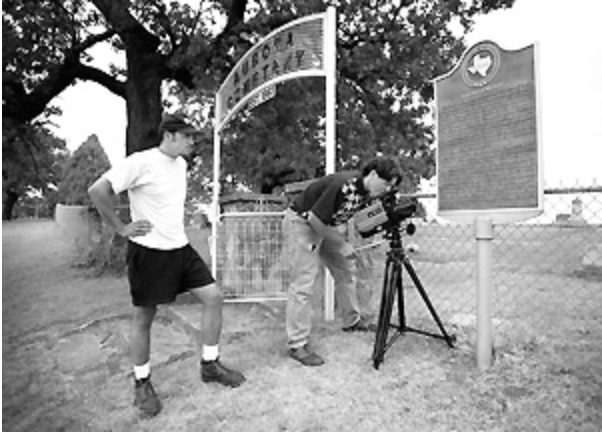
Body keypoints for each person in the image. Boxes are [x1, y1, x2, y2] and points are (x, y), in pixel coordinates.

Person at [88, 113, 245, 418]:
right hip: (148, 252)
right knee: (144, 317)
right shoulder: (140, 161)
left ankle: (210, 364)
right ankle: (142, 382)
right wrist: (121, 228)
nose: (192, 142)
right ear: (170, 136)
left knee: (213, 297)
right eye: (187, 136)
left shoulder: (182, 164)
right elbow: (98, 190)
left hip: (180, 248)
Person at [284, 156, 402, 366]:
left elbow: (362, 220)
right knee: (303, 283)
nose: (386, 189)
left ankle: (352, 321)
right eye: (385, 184)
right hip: (301, 222)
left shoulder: (367, 194)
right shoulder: (344, 185)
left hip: (324, 226)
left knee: (346, 271)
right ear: (373, 174)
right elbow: (313, 219)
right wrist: (341, 244)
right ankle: (297, 344)